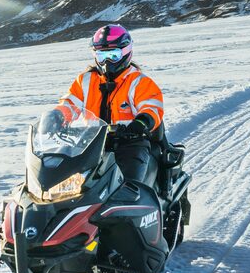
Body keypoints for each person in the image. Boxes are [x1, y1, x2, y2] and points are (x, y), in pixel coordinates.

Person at [47, 24, 165, 192]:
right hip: (91, 144)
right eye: (101, 55)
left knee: (128, 189)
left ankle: (130, 213)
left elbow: (151, 106)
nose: (106, 61)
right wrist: (57, 116)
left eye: (113, 55)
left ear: (126, 53)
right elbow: (69, 103)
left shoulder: (138, 81)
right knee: (64, 186)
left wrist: (141, 123)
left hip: (130, 144)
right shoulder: (85, 80)